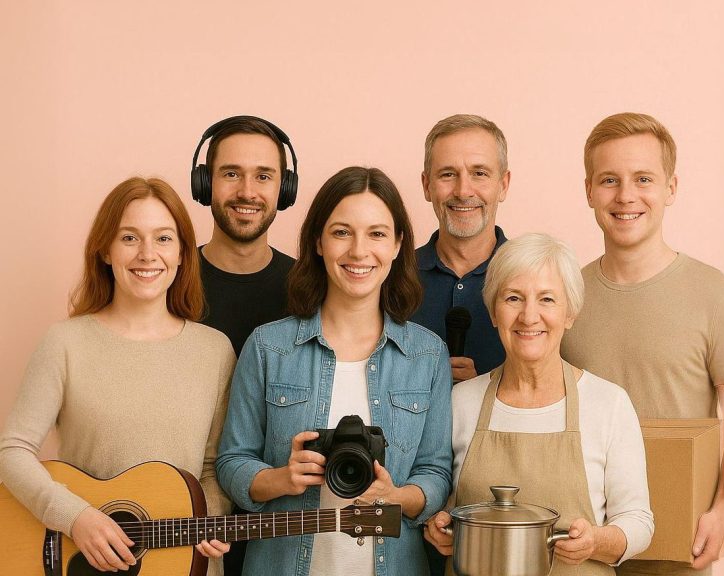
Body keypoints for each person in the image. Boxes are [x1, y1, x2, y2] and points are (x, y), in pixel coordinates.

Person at [216, 166, 453, 576]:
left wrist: (398, 496)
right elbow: (232, 461)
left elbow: (435, 472)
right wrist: (281, 478)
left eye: (377, 233)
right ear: (319, 242)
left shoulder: (428, 355)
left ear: (398, 245)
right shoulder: (268, 347)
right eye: (342, 232)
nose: (359, 252)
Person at [561, 112, 724, 576]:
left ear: (671, 188)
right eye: (609, 180)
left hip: (679, 546)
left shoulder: (711, 293)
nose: (626, 195)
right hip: (582, 547)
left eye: (643, 179)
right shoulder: (565, 298)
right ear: (589, 190)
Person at [0, 177, 235, 575]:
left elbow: (213, 467)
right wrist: (76, 517)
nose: (147, 254)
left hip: (183, 565)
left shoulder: (215, 350)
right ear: (105, 250)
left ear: (181, 254)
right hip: (83, 561)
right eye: (129, 238)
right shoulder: (64, 342)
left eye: (163, 239)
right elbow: (12, 452)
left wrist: (210, 517)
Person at [425, 233, 654, 576]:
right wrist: (439, 526)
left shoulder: (609, 404)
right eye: (513, 298)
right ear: (493, 312)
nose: (529, 316)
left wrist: (596, 541)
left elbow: (638, 521)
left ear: (569, 313)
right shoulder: (461, 401)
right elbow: (442, 503)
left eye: (547, 299)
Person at [412, 114, 511, 383]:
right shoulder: (391, 277)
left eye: (479, 173)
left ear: (503, 185)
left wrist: (482, 386)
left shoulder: (535, 277)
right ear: (426, 186)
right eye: (448, 174)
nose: (463, 190)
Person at [191, 115, 297, 357]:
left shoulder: (308, 287)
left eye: (263, 177)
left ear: (285, 189)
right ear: (204, 183)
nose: (247, 192)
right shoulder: (168, 280)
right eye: (231, 174)